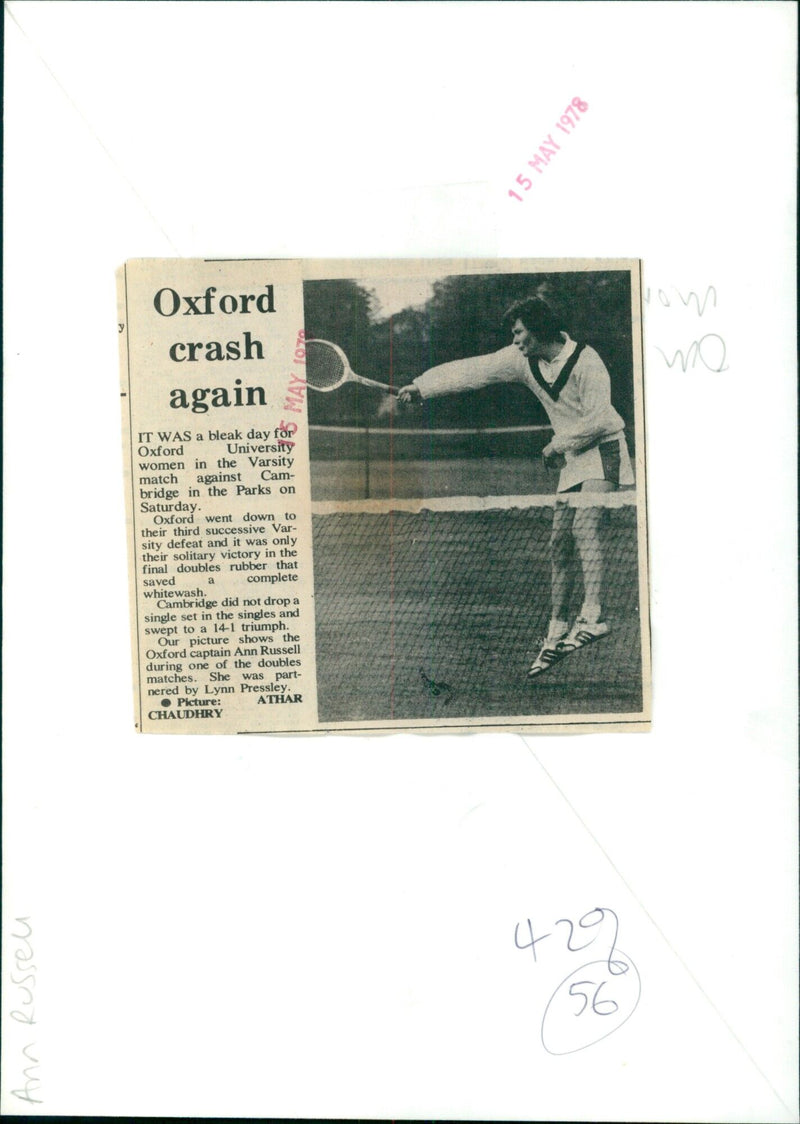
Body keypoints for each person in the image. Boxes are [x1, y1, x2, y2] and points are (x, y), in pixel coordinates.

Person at [397, 296, 634, 679]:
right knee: (559, 544)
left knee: (583, 527)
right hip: (573, 458)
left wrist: (558, 444)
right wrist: (422, 387)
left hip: (603, 448)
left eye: (519, 331)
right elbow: (475, 370)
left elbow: (599, 418)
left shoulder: (587, 361)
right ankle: (556, 631)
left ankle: (591, 616)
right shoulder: (520, 358)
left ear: (539, 329)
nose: (515, 338)